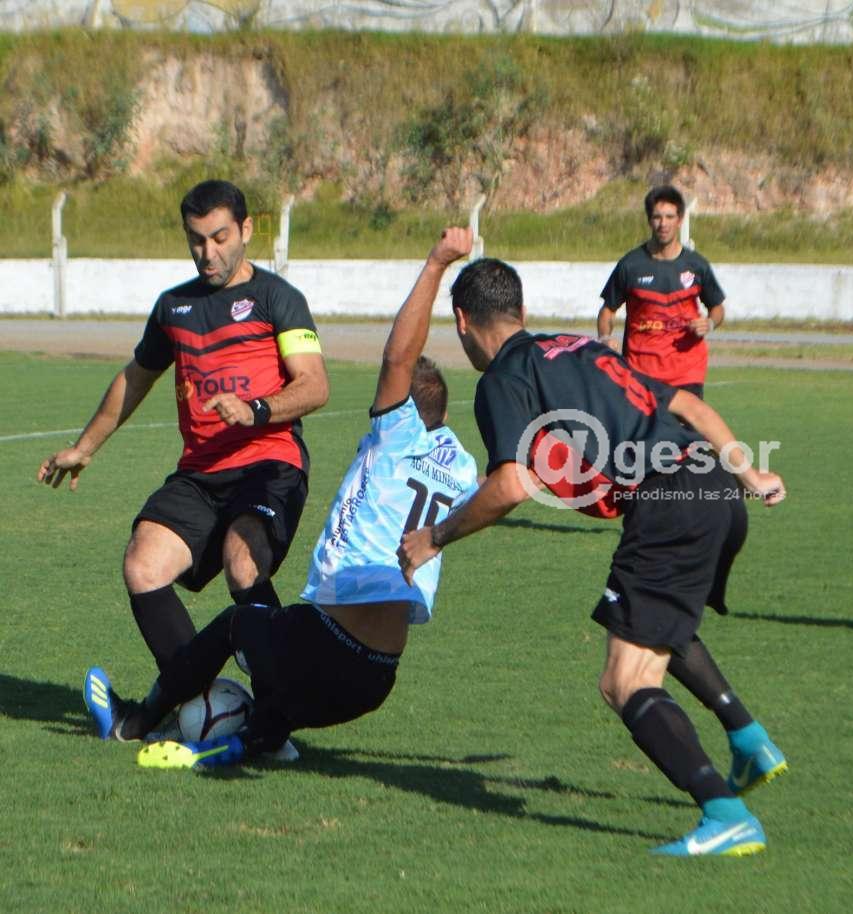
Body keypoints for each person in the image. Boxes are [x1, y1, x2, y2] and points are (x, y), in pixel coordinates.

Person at [398, 257, 788, 857]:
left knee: (624, 680)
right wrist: (749, 473)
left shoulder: (503, 379)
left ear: (462, 321)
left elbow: (510, 486)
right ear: (522, 312)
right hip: (715, 487)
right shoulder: (577, 347)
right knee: (652, 622)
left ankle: (725, 812)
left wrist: (434, 538)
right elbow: (691, 409)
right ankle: (748, 739)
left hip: (669, 502)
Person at [82, 228, 479, 769]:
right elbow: (502, 483)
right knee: (278, 679)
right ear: (445, 418)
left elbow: (397, 359)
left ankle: (135, 721)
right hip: (376, 679)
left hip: (329, 646)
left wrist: (435, 263)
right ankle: (256, 739)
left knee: (238, 624)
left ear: (402, 408)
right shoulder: (460, 466)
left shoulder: (395, 433)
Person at [38, 180, 329, 674]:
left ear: (246, 230)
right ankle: (200, 699)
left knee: (243, 558)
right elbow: (135, 378)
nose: (207, 253)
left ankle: (283, 698)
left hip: (268, 463)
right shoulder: (173, 307)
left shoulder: (278, 298)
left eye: (219, 238)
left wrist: (255, 409)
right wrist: (84, 447)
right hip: (200, 474)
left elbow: (315, 385)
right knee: (143, 564)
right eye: (196, 240)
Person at [597, 185, 726, 396]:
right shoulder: (630, 265)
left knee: (688, 419)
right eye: (657, 217)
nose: (663, 224)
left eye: (669, 217)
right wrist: (604, 338)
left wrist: (709, 323)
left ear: (680, 220)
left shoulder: (696, 265)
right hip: (640, 371)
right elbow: (607, 311)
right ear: (649, 220)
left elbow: (717, 308)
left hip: (687, 372)